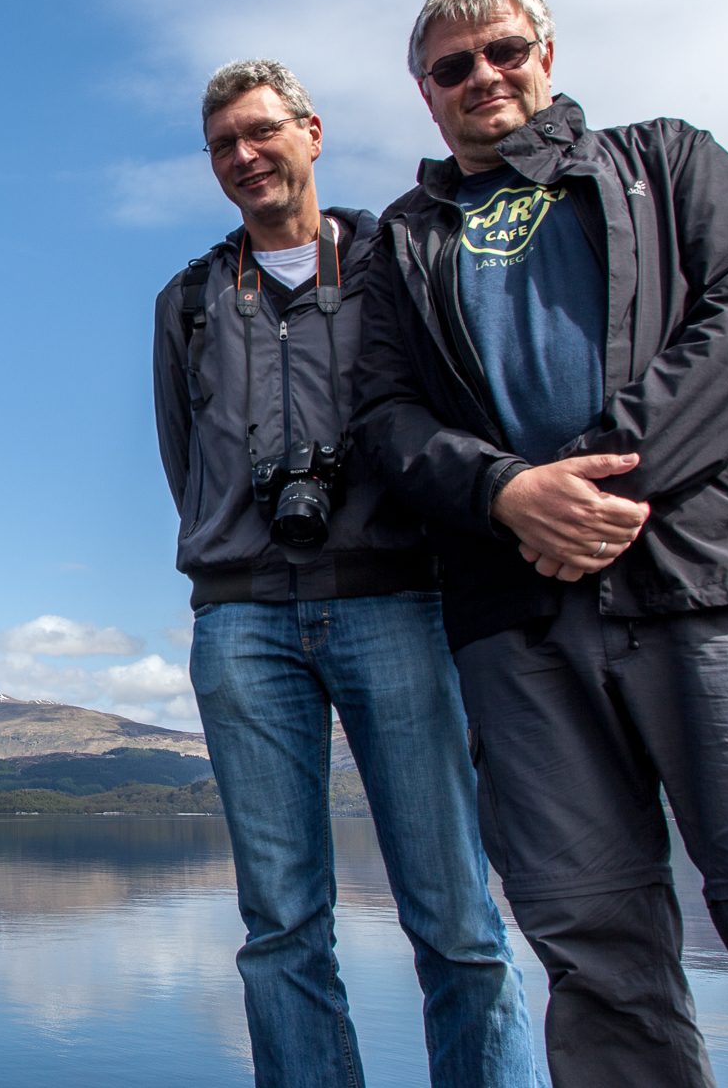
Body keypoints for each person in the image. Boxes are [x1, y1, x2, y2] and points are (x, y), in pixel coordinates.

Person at [353, 0, 728, 1087]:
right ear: (425, 94)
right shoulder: (402, 240)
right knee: (597, 964)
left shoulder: (667, 160)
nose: (482, 76)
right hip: (522, 623)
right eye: (452, 67)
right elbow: (385, 418)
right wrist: (503, 492)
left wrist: (603, 479)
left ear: (546, 51)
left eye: (503, 51)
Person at [153, 59, 541, 1088]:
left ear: (312, 133)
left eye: (261, 131)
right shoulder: (188, 300)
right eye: (223, 143)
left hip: (397, 601)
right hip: (240, 620)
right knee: (280, 926)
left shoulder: (397, 259)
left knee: (456, 914)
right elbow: (183, 456)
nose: (245, 156)